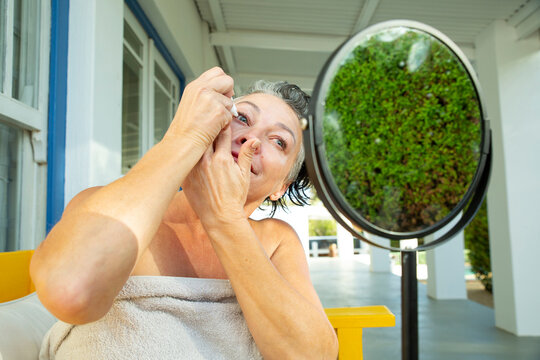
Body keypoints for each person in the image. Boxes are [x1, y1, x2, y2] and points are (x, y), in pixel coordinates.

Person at [31, 67, 339, 359]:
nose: (252, 140)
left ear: (281, 186)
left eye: (279, 141)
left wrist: (225, 221)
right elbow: (70, 291)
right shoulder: (112, 206)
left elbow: (314, 355)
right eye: (242, 118)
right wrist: (184, 138)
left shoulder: (276, 240)